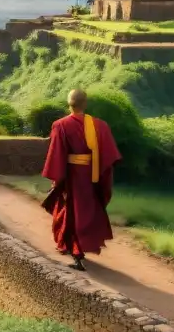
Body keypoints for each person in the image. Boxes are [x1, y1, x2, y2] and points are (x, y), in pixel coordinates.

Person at [41, 88, 122, 271]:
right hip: (92, 175)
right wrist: (100, 174)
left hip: (72, 176)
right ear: (85, 104)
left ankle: (77, 255)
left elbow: (57, 155)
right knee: (87, 212)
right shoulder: (100, 125)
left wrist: (58, 179)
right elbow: (108, 156)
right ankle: (75, 248)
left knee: (72, 213)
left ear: (68, 104)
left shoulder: (60, 125)